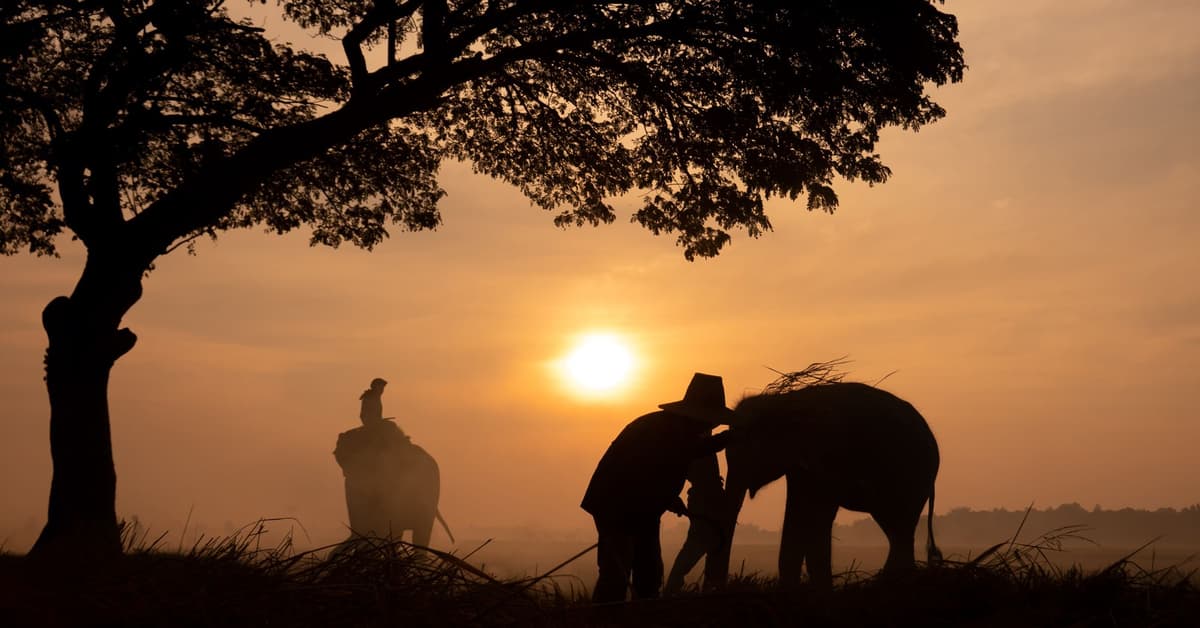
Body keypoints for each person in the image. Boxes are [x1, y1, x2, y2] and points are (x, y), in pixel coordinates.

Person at [581, 372, 736, 603]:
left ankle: (642, 612)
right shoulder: (671, 431)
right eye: (710, 420)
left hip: (643, 505)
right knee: (617, 571)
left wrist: (669, 498)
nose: (710, 425)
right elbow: (689, 451)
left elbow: (659, 469)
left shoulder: (670, 427)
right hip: (616, 504)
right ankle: (606, 616)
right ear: (698, 416)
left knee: (649, 570)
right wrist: (730, 437)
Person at [664, 452, 726, 594]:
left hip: (707, 498)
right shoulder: (696, 444)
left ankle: (674, 588)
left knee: (708, 545)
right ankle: (672, 588)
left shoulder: (695, 444)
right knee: (698, 544)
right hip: (705, 499)